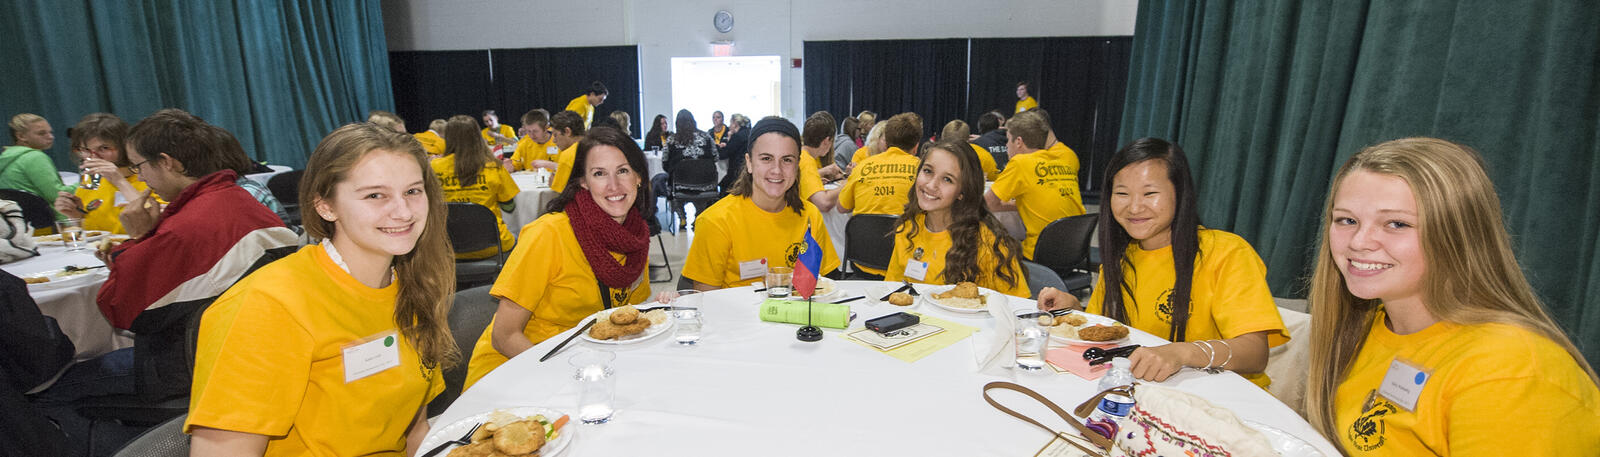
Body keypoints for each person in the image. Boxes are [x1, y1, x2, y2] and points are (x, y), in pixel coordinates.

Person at [1301, 137, 1600, 455]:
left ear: (1459, 235)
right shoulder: (1366, 328)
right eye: (1347, 220)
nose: (1359, 242)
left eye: (1397, 224)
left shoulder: (1511, 369)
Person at [186, 122, 456, 456]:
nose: (403, 212)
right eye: (375, 195)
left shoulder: (414, 286)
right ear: (325, 206)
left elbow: (414, 431)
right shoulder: (267, 305)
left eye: (413, 191)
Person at [1035, 138, 1288, 388]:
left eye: (1150, 193)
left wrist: (1181, 352)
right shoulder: (1121, 260)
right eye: (1122, 193)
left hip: (1223, 397)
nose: (1134, 207)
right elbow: (1109, 331)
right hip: (1148, 392)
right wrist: (1075, 311)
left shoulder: (1226, 252)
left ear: (1180, 194)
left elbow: (1255, 354)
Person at [95, 108, 299, 403]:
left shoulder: (186, 226)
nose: (140, 177)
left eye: (139, 166)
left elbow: (122, 309)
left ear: (166, 162)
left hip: (199, 370)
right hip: (259, 354)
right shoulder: (239, 199)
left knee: (51, 389)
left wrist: (138, 239)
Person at [462, 127, 654, 389]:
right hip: (518, 368)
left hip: (586, 364)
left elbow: (625, 317)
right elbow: (504, 336)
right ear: (583, 182)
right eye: (599, 174)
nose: (614, 185)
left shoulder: (635, 238)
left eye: (623, 171)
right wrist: (566, 378)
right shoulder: (548, 234)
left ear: (638, 177)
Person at [684, 117, 839, 289]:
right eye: (766, 158)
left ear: (797, 166)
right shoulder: (715, 222)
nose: (777, 170)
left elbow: (821, 288)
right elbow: (706, 300)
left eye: (787, 160)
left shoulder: (810, 216)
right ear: (749, 163)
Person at [884, 139, 1026, 297]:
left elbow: (1018, 306)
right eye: (928, 171)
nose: (931, 185)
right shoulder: (908, 228)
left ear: (962, 192)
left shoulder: (988, 242)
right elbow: (892, 290)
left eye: (947, 179)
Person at [984, 110, 1085, 259]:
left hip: (1040, 252)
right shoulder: (1063, 161)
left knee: (989, 249)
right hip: (1075, 251)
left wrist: (1011, 205)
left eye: (1008, 140)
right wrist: (1021, 204)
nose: (1006, 145)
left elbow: (987, 204)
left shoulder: (1020, 163)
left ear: (1018, 142)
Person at [839, 113, 924, 282]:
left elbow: (842, 207)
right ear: (916, 146)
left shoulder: (862, 167)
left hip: (863, 262)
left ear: (885, 141)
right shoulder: (923, 171)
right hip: (906, 267)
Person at [432, 115, 519, 258]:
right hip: (493, 245)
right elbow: (509, 207)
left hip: (448, 248)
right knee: (518, 237)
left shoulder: (434, 167)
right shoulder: (493, 166)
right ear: (477, 136)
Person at [53, 113, 150, 234]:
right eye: (86, 150)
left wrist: (119, 181)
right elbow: (91, 234)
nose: (94, 157)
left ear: (124, 146)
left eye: (104, 148)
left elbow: (155, 222)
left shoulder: (148, 178)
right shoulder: (91, 181)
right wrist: (75, 216)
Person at [1, 113, 72, 211]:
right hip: (50, 217)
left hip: (18, 218)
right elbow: (58, 195)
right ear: (21, 136)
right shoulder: (35, 157)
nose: (51, 137)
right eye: (42, 133)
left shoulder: (5, 157)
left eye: (50, 132)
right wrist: (85, 183)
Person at [661, 109, 718, 227]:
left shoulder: (671, 140)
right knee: (701, 197)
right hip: (706, 183)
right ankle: (699, 216)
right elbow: (716, 157)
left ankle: (682, 217)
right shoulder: (706, 137)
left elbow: (665, 162)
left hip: (681, 184)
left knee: (673, 185)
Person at [547, 110, 588, 191]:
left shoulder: (568, 155)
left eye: (555, 135)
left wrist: (553, 184)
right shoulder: (597, 146)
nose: (554, 141)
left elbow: (560, 193)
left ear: (567, 131)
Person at [716, 113, 751, 195]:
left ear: (735, 123)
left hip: (736, 171)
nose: (729, 126)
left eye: (730, 123)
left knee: (722, 185)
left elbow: (724, 154)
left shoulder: (737, 136)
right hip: (747, 169)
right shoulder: (749, 133)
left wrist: (717, 147)